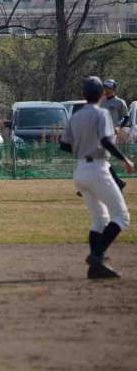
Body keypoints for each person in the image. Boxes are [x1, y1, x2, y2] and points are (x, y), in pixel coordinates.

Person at [60, 77, 133, 279]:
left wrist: (82, 150)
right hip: (98, 169)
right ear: (102, 94)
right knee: (121, 216)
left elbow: (63, 145)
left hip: (80, 171)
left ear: (84, 95)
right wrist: (124, 159)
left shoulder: (75, 116)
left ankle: (95, 268)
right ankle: (97, 256)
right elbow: (106, 141)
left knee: (100, 220)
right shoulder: (102, 113)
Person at [99, 79, 129, 191]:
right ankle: (118, 182)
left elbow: (126, 118)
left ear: (114, 90)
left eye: (109, 88)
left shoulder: (119, 102)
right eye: (105, 88)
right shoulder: (101, 101)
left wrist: (119, 127)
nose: (106, 90)